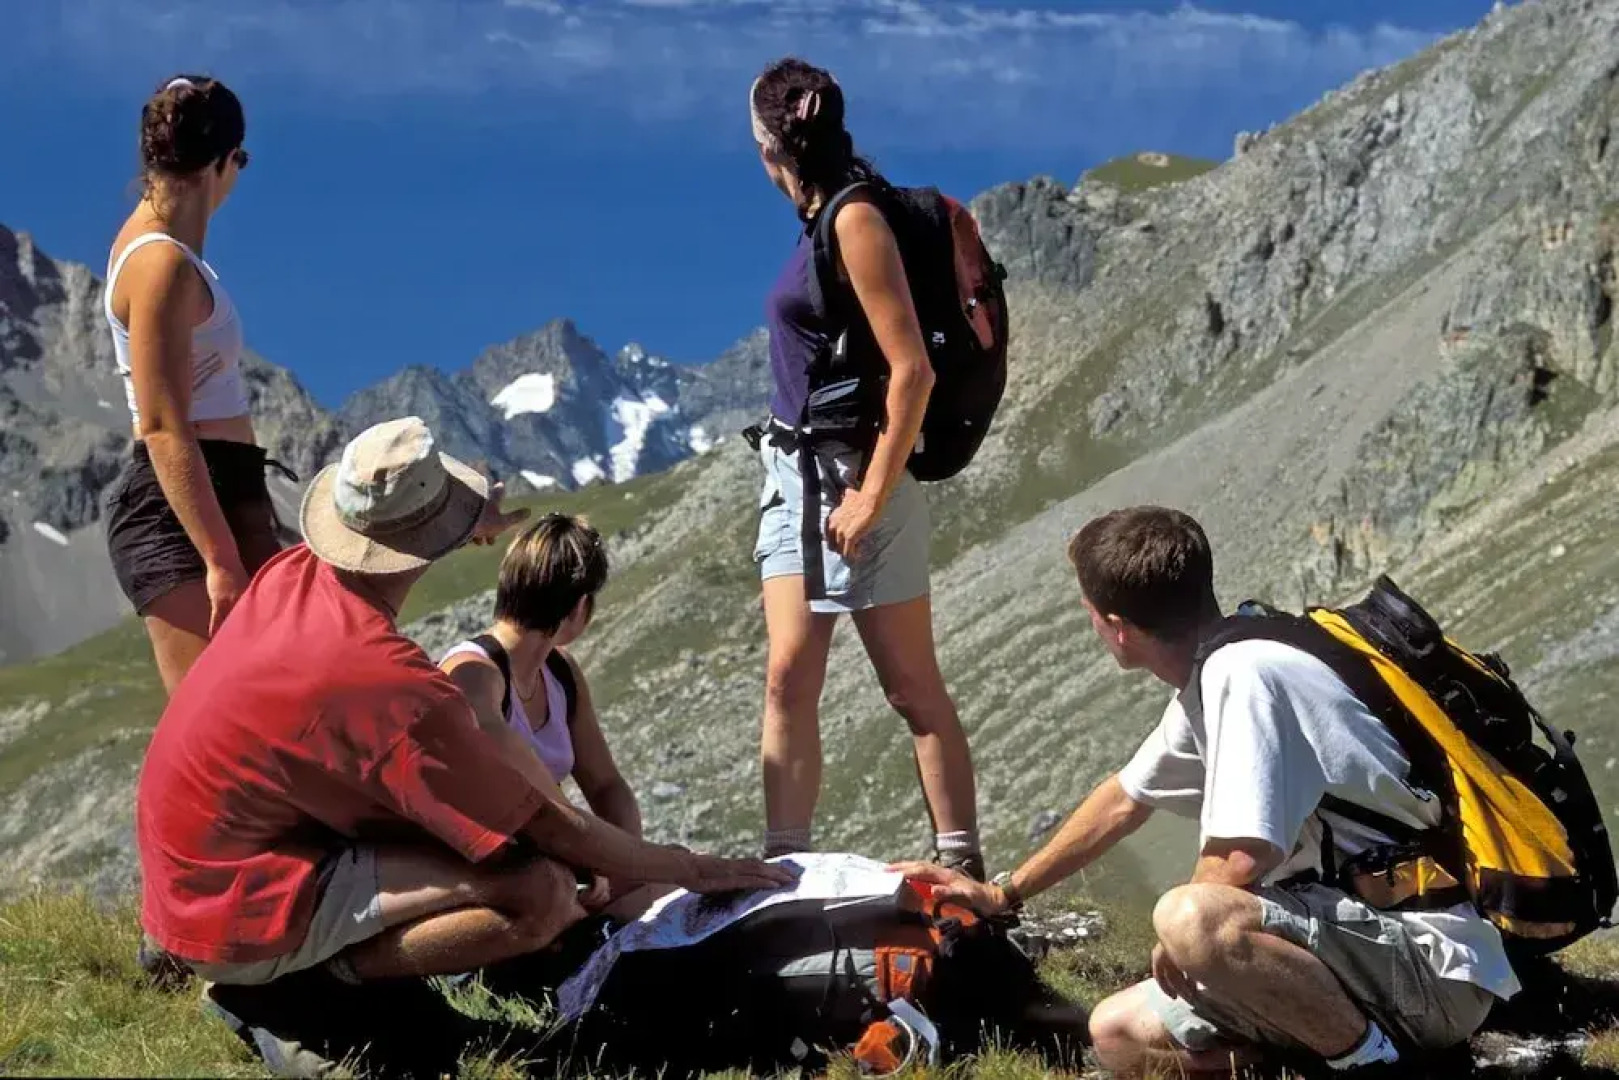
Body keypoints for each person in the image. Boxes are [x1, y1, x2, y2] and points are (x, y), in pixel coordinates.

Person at [135, 417, 794, 1065]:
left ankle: (258, 965)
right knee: (536, 892)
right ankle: (301, 995)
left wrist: (464, 520)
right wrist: (686, 867)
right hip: (232, 912)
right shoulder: (389, 681)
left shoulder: (291, 575)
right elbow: (549, 830)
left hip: (184, 878)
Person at [896, 506, 1520, 1077]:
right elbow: (1124, 797)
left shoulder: (1242, 676)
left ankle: (1374, 1066)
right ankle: (1326, 1055)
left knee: (1191, 915)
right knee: (1118, 1035)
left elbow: (1241, 857)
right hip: (1345, 948)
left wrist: (1185, 942)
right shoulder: (1225, 661)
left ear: (1116, 627)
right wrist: (1003, 892)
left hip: (1429, 964)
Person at [746, 57, 983, 877]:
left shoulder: (854, 219)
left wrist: (871, 496)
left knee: (910, 686)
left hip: (853, 474)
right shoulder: (819, 217)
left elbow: (911, 369)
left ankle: (962, 868)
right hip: (791, 469)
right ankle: (784, 867)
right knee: (786, 676)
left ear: (769, 138)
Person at [102, 74, 283, 695]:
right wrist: (220, 558)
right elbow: (160, 423)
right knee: (223, 728)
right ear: (224, 161)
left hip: (221, 490)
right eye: (242, 161)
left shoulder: (168, 253)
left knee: (270, 714)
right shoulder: (161, 262)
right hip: (184, 508)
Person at [441, 513, 670, 917]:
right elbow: (533, 800)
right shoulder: (473, 674)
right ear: (581, 606)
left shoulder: (560, 672)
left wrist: (627, 858)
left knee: (668, 875)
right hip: (499, 872)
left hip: (560, 858)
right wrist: (602, 861)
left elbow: (605, 785)